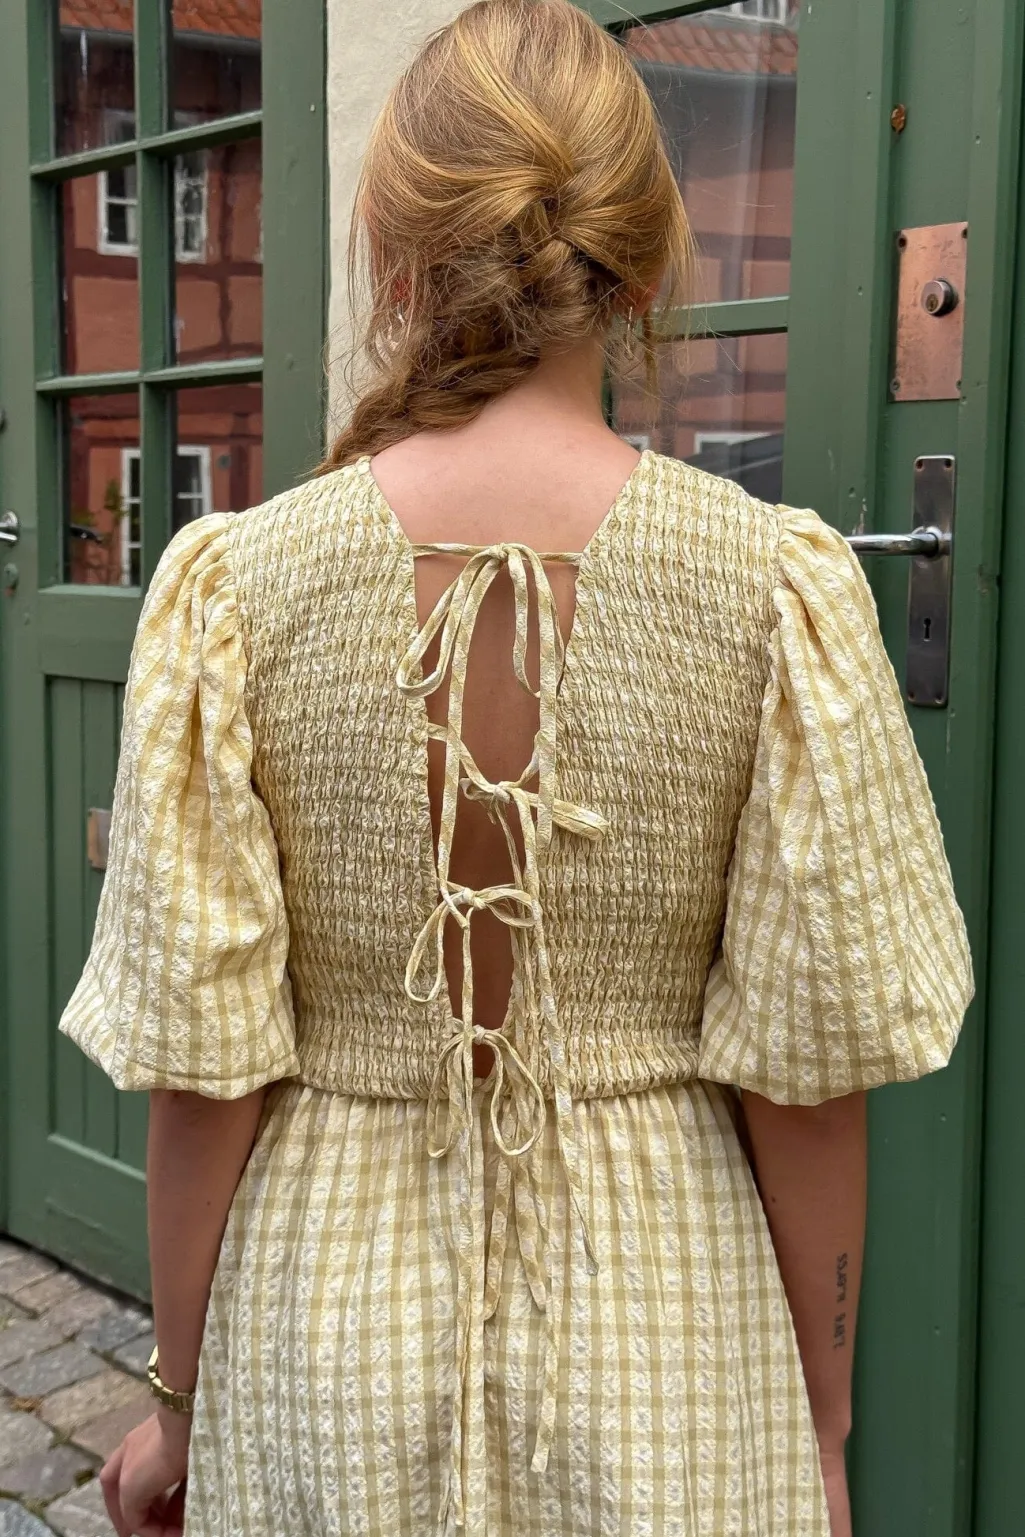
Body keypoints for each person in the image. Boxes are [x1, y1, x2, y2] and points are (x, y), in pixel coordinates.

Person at [59, 2, 973, 1533]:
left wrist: (179, 1406)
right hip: (671, 1345)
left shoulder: (241, 589)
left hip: (322, 1338)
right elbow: (811, 1086)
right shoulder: (769, 590)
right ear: (649, 268)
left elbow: (207, 1077)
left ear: (392, 257)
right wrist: (820, 1432)